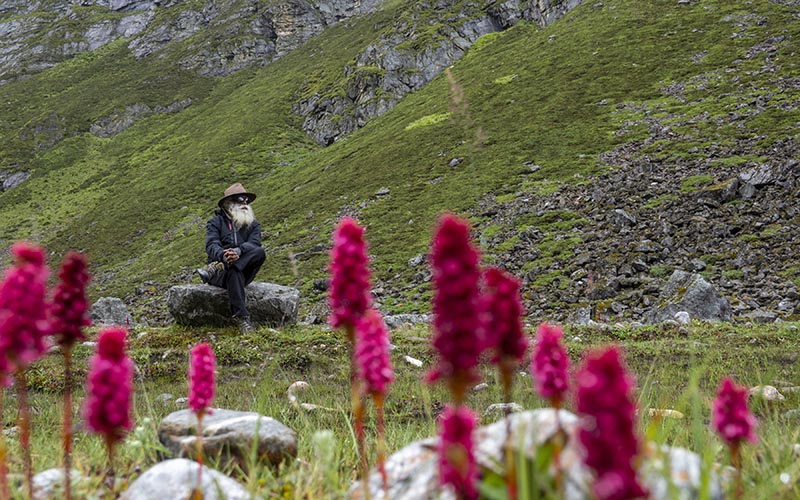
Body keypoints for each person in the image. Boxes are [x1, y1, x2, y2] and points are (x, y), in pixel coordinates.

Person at [196, 183, 266, 333]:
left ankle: (222, 266)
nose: (245, 203)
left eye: (246, 199)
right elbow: (211, 245)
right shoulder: (215, 222)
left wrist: (238, 251)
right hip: (221, 276)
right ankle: (243, 319)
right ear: (229, 203)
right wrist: (223, 255)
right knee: (234, 271)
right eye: (241, 199)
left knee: (259, 252)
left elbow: (254, 243)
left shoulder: (253, 224)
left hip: (242, 269)